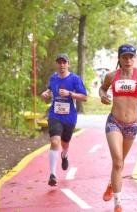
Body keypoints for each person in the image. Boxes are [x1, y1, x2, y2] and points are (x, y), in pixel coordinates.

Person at [99, 44, 137, 212]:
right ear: (119, 59)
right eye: (125, 57)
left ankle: (111, 184)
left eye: (131, 57)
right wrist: (103, 96)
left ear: (134, 58)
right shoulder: (111, 76)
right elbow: (102, 89)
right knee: (117, 161)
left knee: (120, 163)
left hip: (131, 125)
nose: (128, 60)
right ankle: (118, 203)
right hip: (114, 122)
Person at [41, 53, 87, 186]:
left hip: (69, 117)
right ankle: (52, 175)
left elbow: (84, 97)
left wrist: (70, 94)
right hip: (55, 115)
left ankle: (64, 155)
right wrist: (46, 94)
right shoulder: (53, 78)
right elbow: (50, 90)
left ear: (68, 64)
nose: (62, 65)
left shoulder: (75, 79)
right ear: (56, 64)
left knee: (65, 143)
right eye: (59, 62)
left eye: (64, 62)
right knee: (55, 141)